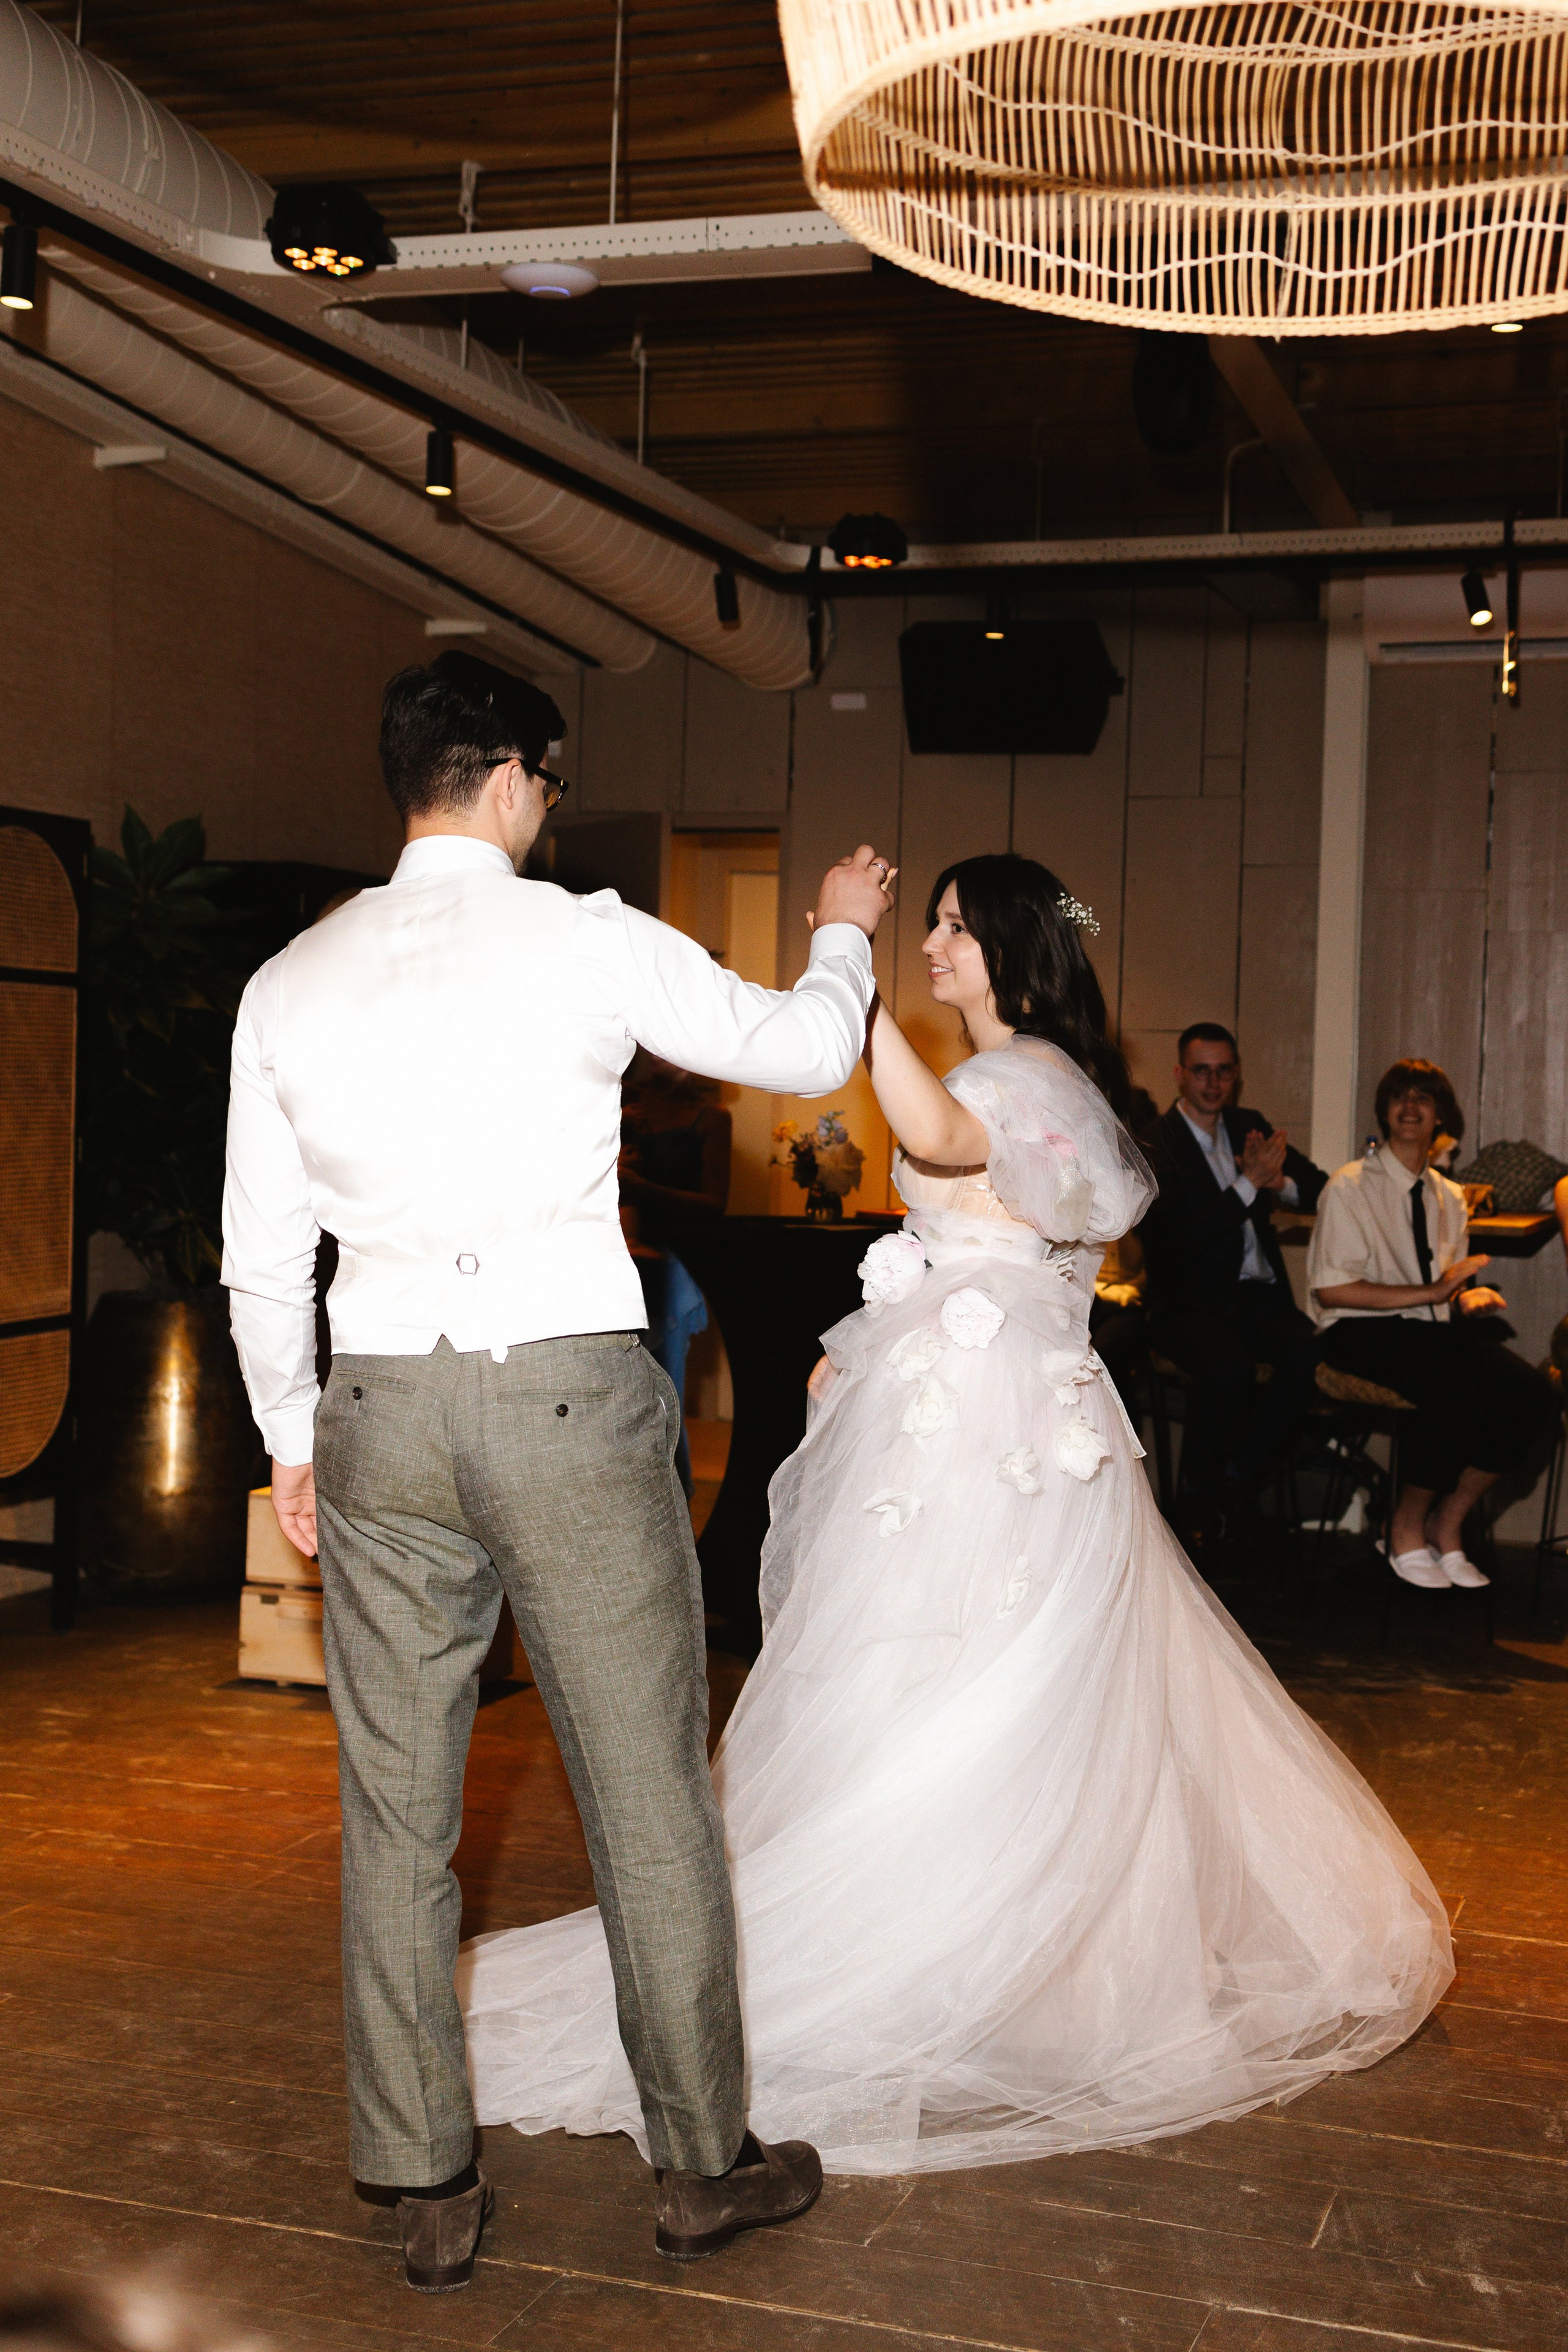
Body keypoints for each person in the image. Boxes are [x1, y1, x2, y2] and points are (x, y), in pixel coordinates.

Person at [460, 852, 1450, 2176]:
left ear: (1010, 946)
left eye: (950, 929)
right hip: (1007, 1409)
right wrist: (867, 1325)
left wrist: (845, 969)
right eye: (922, 926)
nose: (932, 944)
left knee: (964, 1670)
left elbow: (935, 1143)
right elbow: (962, 1225)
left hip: (988, 1431)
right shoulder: (1047, 1081)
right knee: (979, 1677)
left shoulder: (1017, 1079)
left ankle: (944, 1947)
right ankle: (1001, 1940)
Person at [221, 649, 896, 2280]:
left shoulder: (289, 983)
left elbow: (259, 1256)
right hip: (571, 1402)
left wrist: (294, 1439)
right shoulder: (581, 938)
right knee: (646, 1792)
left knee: (397, 1808)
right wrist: (844, 929)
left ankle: (425, 2186)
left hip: (380, 1404)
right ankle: (699, 2164)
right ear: (519, 775)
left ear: (412, 784)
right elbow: (809, 1054)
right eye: (550, 779)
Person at [1308, 1058, 1558, 1589]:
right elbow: (1332, 1289)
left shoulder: (1448, 1196)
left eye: (1423, 1098)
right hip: (1355, 1329)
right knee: (1448, 1384)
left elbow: (1445, 1293)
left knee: (1532, 1394)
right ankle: (1403, 1525)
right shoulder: (1349, 1187)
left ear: (1441, 1116)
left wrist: (1468, 1300)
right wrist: (1434, 1293)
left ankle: (1448, 1521)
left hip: (1427, 1328)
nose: (1410, 1107)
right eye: (1399, 1097)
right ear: (1383, 1112)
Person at [1137, 1023, 1328, 1544]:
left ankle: (1237, 1477)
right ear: (1180, 1074)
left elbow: (1320, 1189)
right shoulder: (1156, 1144)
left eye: (1224, 1071)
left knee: (1310, 1355)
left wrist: (1278, 1181)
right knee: (1229, 1368)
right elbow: (1181, 1240)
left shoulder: (1250, 1126)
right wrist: (1248, 1185)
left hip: (1257, 1299)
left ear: (1236, 1075)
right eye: (1202, 1071)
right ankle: (1194, 1505)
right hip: (1188, 1304)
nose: (1213, 1082)